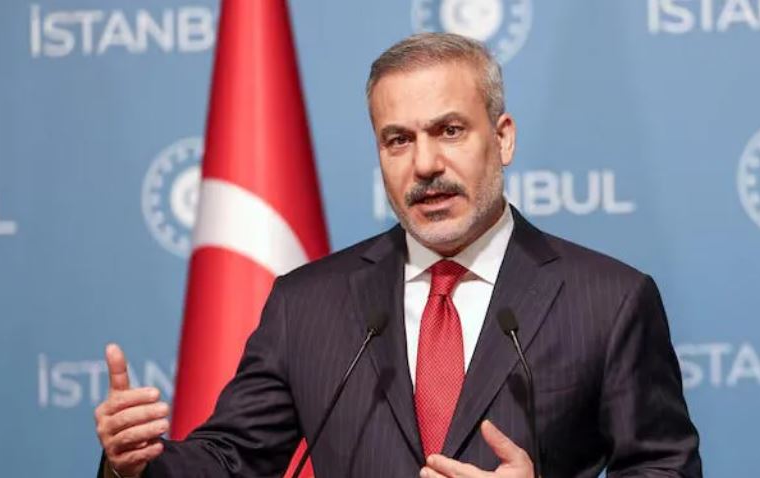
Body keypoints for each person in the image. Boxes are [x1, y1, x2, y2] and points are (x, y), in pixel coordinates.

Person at [94, 33, 702, 478]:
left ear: (503, 138)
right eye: (398, 140)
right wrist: (136, 466)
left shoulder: (608, 300)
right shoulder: (307, 305)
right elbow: (231, 461)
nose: (426, 164)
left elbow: (666, 468)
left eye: (450, 131)